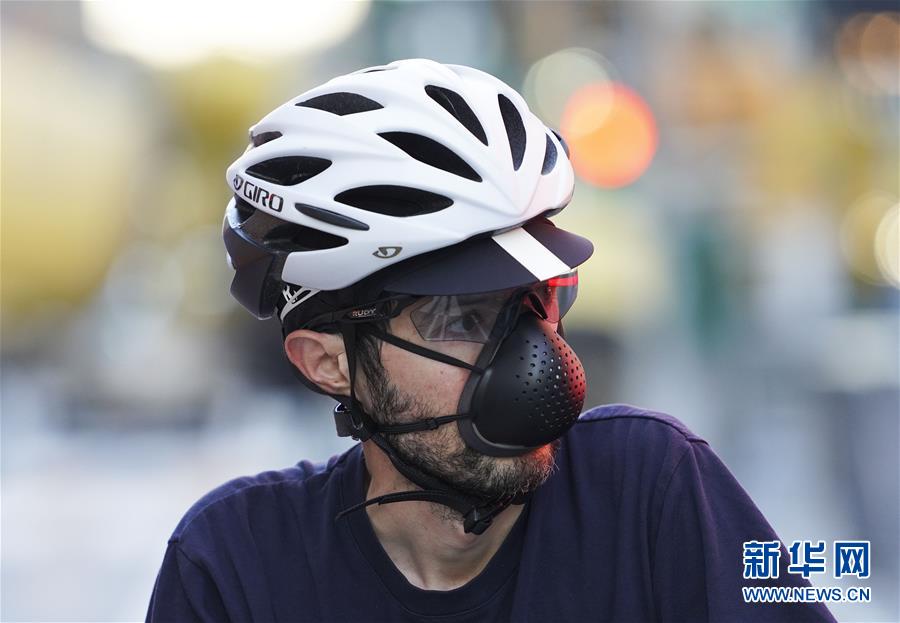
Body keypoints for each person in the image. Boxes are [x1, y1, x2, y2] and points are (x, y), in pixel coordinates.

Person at [146, 59, 835, 622]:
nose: (540, 361)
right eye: (459, 318)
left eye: (539, 301)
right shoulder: (235, 570)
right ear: (328, 362)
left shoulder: (649, 492)